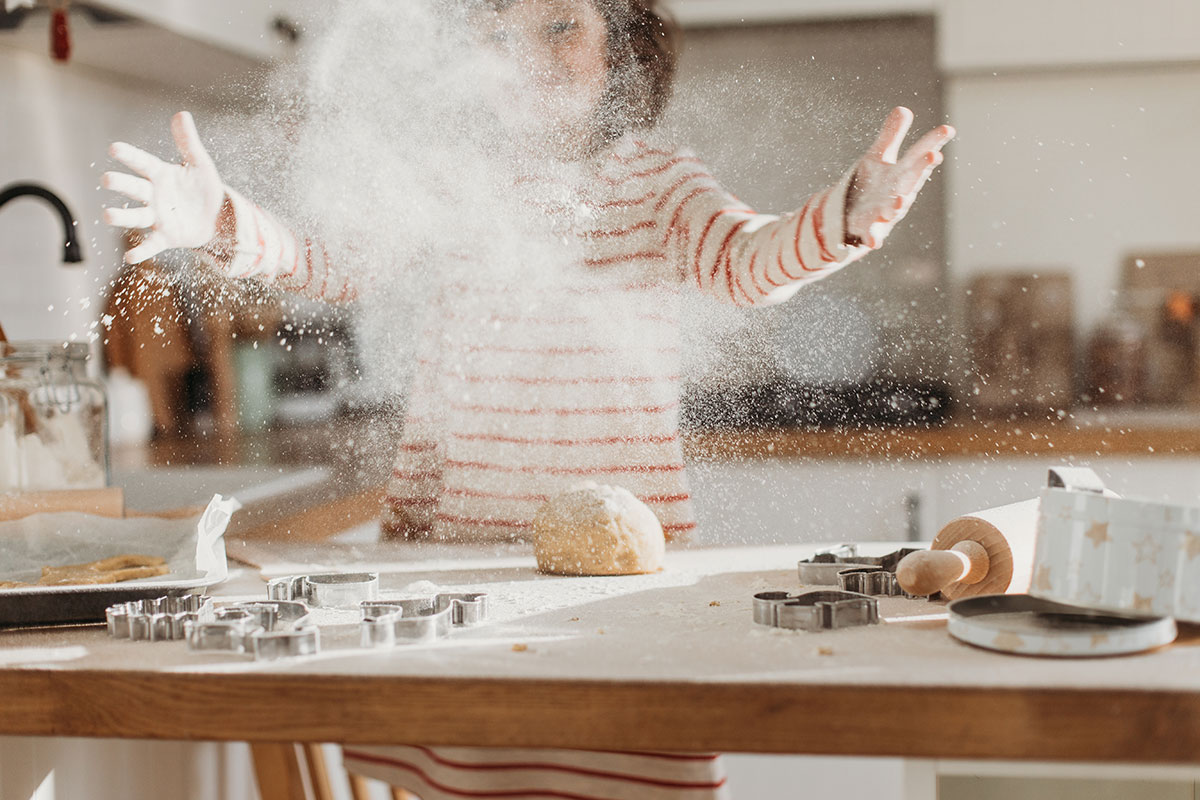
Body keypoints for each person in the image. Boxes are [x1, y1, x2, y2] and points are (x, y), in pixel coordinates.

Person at [102, 0, 954, 796]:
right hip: (460, 578)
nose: (530, 58)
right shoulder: (451, 182)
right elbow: (331, 261)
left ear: (621, 45)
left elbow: (747, 260)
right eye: (503, 34)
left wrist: (842, 220)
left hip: (618, 600)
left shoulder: (659, 182)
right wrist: (220, 220)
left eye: (560, 29)